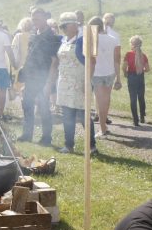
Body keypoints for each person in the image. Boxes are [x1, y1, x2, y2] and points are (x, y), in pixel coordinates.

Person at [54, 12, 95, 155]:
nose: (65, 28)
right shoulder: (64, 40)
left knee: (84, 115)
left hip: (79, 83)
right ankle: (69, 145)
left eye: (67, 25)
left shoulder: (83, 40)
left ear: (74, 25)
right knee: (67, 116)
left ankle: (92, 146)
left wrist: (87, 80)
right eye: (63, 26)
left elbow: (92, 61)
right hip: (64, 83)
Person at [18, 8, 60, 145]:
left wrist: (49, 82)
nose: (34, 22)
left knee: (43, 108)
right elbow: (29, 56)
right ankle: (27, 134)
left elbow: (54, 61)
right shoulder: (33, 34)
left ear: (44, 19)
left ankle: (46, 137)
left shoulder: (51, 37)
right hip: (30, 77)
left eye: (37, 19)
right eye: (33, 19)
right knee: (27, 105)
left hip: (43, 78)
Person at [75, 16, 121, 137]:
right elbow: (117, 60)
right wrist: (118, 78)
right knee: (106, 100)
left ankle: (102, 128)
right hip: (110, 72)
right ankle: (103, 126)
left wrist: (87, 78)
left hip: (97, 73)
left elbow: (91, 61)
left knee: (101, 101)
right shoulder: (113, 39)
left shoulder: (90, 39)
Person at [122, 35, 150, 127]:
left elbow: (124, 67)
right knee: (141, 97)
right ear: (140, 44)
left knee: (133, 99)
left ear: (131, 44)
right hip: (140, 77)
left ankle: (135, 120)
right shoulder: (144, 55)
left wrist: (126, 74)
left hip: (131, 77)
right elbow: (147, 69)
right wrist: (141, 70)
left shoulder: (128, 54)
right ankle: (142, 116)